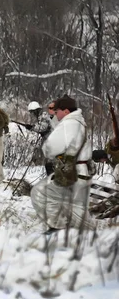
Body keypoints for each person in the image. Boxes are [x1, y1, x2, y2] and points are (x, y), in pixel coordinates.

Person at [30, 95, 97, 231]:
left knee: (39, 193)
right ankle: (80, 233)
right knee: (76, 208)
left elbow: (50, 148)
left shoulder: (69, 124)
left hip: (73, 173)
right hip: (81, 172)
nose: (55, 114)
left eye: (57, 111)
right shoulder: (79, 122)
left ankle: (59, 228)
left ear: (66, 111)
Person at [26, 101, 54, 175]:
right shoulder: (41, 116)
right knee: (48, 161)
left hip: (50, 140)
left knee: (49, 162)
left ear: (35, 110)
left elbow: (43, 128)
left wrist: (32, 127)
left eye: (31, 112)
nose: (31, 114)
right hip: (48, 139)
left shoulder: (43, 115)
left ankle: (51, 177)